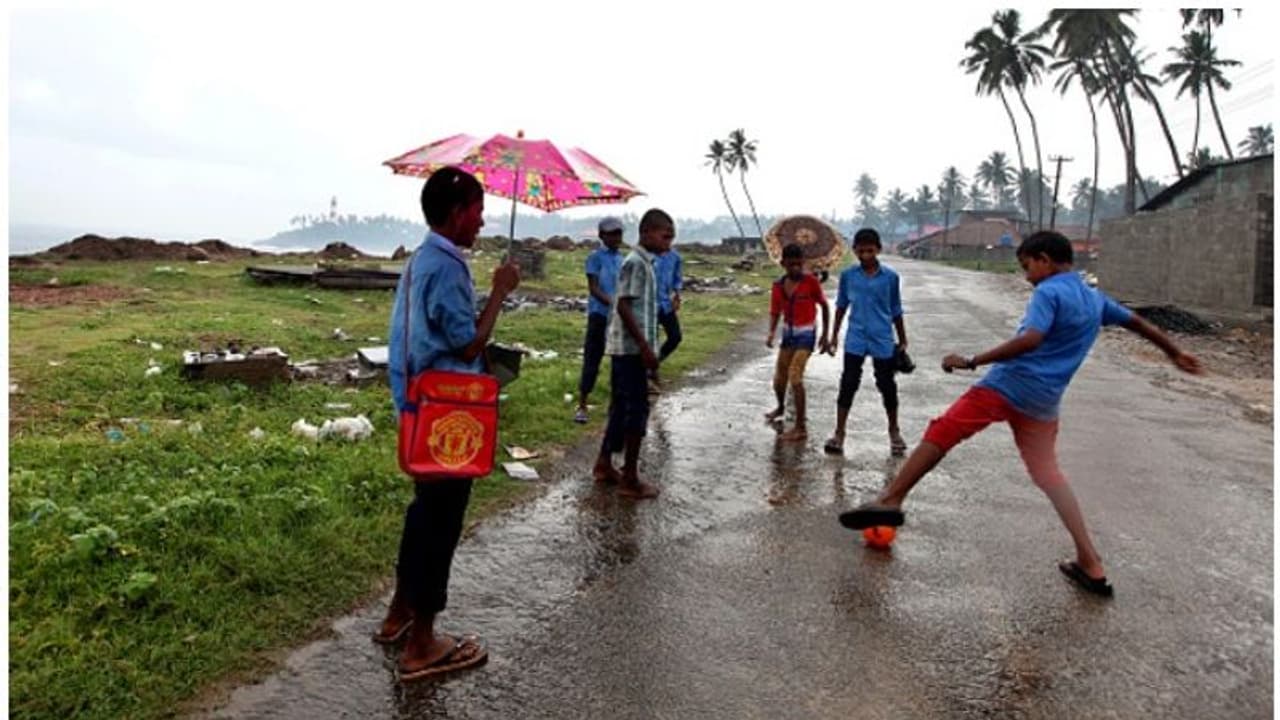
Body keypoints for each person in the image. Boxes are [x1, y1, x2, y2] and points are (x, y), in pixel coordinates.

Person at [838, 230, 1203, 598]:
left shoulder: (1049, 291)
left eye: (1027, 267)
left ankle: (892, 499)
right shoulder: (1094, 298)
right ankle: (1090, 563)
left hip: (1008, 385)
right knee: (1049, 476)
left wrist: (971, 361)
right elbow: (1137, 323)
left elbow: (1031, 339)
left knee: (944, 430)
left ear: (1044, 260)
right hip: (1043, 402)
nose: (1027, 276)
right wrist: (1173, 353)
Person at [377, 167, 521, 681]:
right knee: (442, 523)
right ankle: (422, 642)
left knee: (423, 514)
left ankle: (399, 613)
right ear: (458, 213)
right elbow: (466, 343)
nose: (481, 225)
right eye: (478, 215)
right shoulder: (449, 266)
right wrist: (500, 292)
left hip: (417, 404)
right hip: (448, 413)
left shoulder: (421, 260)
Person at [591, 208, 675, 499]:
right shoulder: (636, 263)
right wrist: (644, 348)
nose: (669, 243)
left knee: (621, 407)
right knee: (637, 409)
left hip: (632, 347)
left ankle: (604, 464)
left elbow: (642, 308)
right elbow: (624, 306)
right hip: (629, 349)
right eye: (665, 237)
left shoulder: (647, 264)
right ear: (647, 232)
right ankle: (629, 477)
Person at [822, 228, 909, 456]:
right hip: (856, 338)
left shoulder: (890, 278)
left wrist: (903, 339)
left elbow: (896, 310)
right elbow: (841, 306)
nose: (866, 256)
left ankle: (894, 431)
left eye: (870, 251)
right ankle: (839, 433)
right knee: (848, 383)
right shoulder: (849, 276)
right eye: (861, 251)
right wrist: (833, 336)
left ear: (878, 249)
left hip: (882, 339)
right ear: (855, 250)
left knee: (887, 386)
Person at [765, 243, 830, 442]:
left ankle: (801, 427)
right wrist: (771, 332)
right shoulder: (778, 286)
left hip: (806, 335)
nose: (795, 268)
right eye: (790, 264)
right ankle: (781, 407)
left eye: (798, 264)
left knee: (795, 375)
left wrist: (825, 335)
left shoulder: (811, 282)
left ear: (803, 263)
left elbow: (824, 306)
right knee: (779, 378)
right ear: (783, 263)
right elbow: (775, 311)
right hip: (788, 334)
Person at [574, 217, 626, 423]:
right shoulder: (595, 258)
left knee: (618, 360)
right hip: (599, 314)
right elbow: (594, 288)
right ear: (602, 236)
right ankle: (582, 404)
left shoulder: (622, 260)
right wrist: (612, 303)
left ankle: (615, 405)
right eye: (611, 233)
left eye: (619, 233)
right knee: (592, 359)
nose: (616, 237)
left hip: (618, 317)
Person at [651, 244, 683, 389]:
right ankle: (652, 375)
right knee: (652, 340)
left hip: (665, 304)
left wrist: (677, 296)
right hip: (648, 304)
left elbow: (677, 279)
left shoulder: (675, 257)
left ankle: (654, 365)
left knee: (675, 336)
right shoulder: (648, 256)